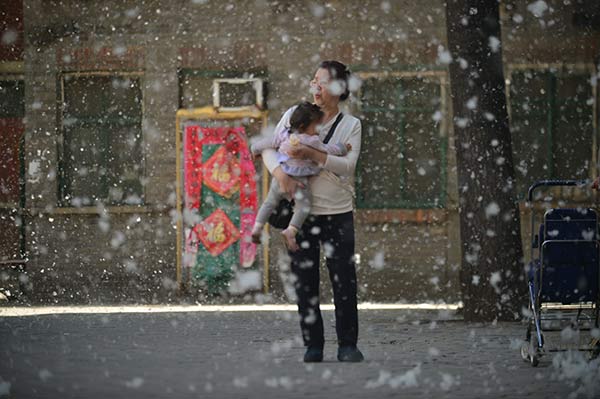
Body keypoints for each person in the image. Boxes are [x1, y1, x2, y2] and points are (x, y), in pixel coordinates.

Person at [260, 60, 364, 363]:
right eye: (314, 81)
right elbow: (270, 149)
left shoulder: (351, 125)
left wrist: (311, 154)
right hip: (299, 216)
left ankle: (347, 344)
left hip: (338, 212)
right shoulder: (294, 115)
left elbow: (347, 165)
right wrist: (279, 175)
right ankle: (313, 344)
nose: (315, 87)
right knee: (305, 282)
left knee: (344, 280)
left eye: (323, 82)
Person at [250, 102, 351, 251]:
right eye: (316, 126)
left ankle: (257, 227)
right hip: (299, 182)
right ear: (303, 126)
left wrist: (254, 150)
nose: (319, 130)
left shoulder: (284, 135)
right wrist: (343, 147)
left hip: (280, 177)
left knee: (269, 202)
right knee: (303, 206)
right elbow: (329, 150)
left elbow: (268, 142)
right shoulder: (312, 141)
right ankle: (291, 231)